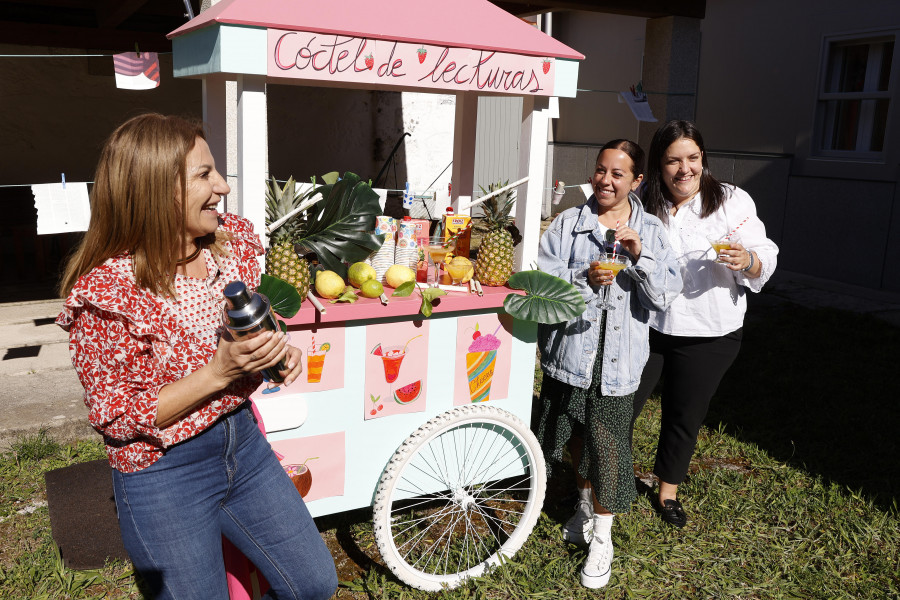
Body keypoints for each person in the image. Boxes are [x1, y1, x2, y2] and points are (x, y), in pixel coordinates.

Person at [56, 114, 338, 599]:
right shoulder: (107, 293)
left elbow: (247, 319)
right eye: (204, 175)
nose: (223, 187)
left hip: (242, 443)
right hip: (164, 470)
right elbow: (118, 416)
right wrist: (219, 371)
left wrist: (274, 348)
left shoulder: (230, 244)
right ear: (154, 190)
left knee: (313, 583)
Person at [536, 139, 682, 589]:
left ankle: (603, 537)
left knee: (609, 446)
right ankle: (583, 506)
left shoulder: (652, 230)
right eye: (601, 170)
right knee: (574, 435)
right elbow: (543, 282)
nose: (605, 180)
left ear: (636, 181)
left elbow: (665, 295)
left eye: (618, 174)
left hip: (618, 364)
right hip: (570, 355)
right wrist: (582, 277)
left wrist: (641, 258)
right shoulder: (569, 223)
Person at [631, 119, 779, 529]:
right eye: (673, 161)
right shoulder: (646, 201)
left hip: (710, 331)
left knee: (685, 413)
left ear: (703, 158)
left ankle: (667, 492)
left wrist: (747, 260)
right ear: (659, 167)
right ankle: (611, 479)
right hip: (650, 323)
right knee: (623, 404)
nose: (685, 170)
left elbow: (763, 250)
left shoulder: (731, 201)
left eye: (693, 158)